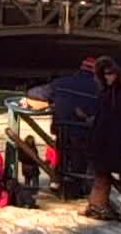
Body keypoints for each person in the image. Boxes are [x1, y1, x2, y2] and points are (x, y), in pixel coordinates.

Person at [83, 57, 121, 226]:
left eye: (110, 73)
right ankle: (97, 208)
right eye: (104, 73)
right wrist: (93, 142)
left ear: (119, 73)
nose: (107, 77)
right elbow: (100, 121)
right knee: (101, 179)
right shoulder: (104, 93)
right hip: (104, 144)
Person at [26, 57, 99, 198]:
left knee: (63, 159)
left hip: (62, 129)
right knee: (82, 163)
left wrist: (54, 102)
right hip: (86, 133)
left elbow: (33, 93)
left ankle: (61, 186)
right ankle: (78, 190)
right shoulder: (99, 90)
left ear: (81, 69)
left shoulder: (62, 83)